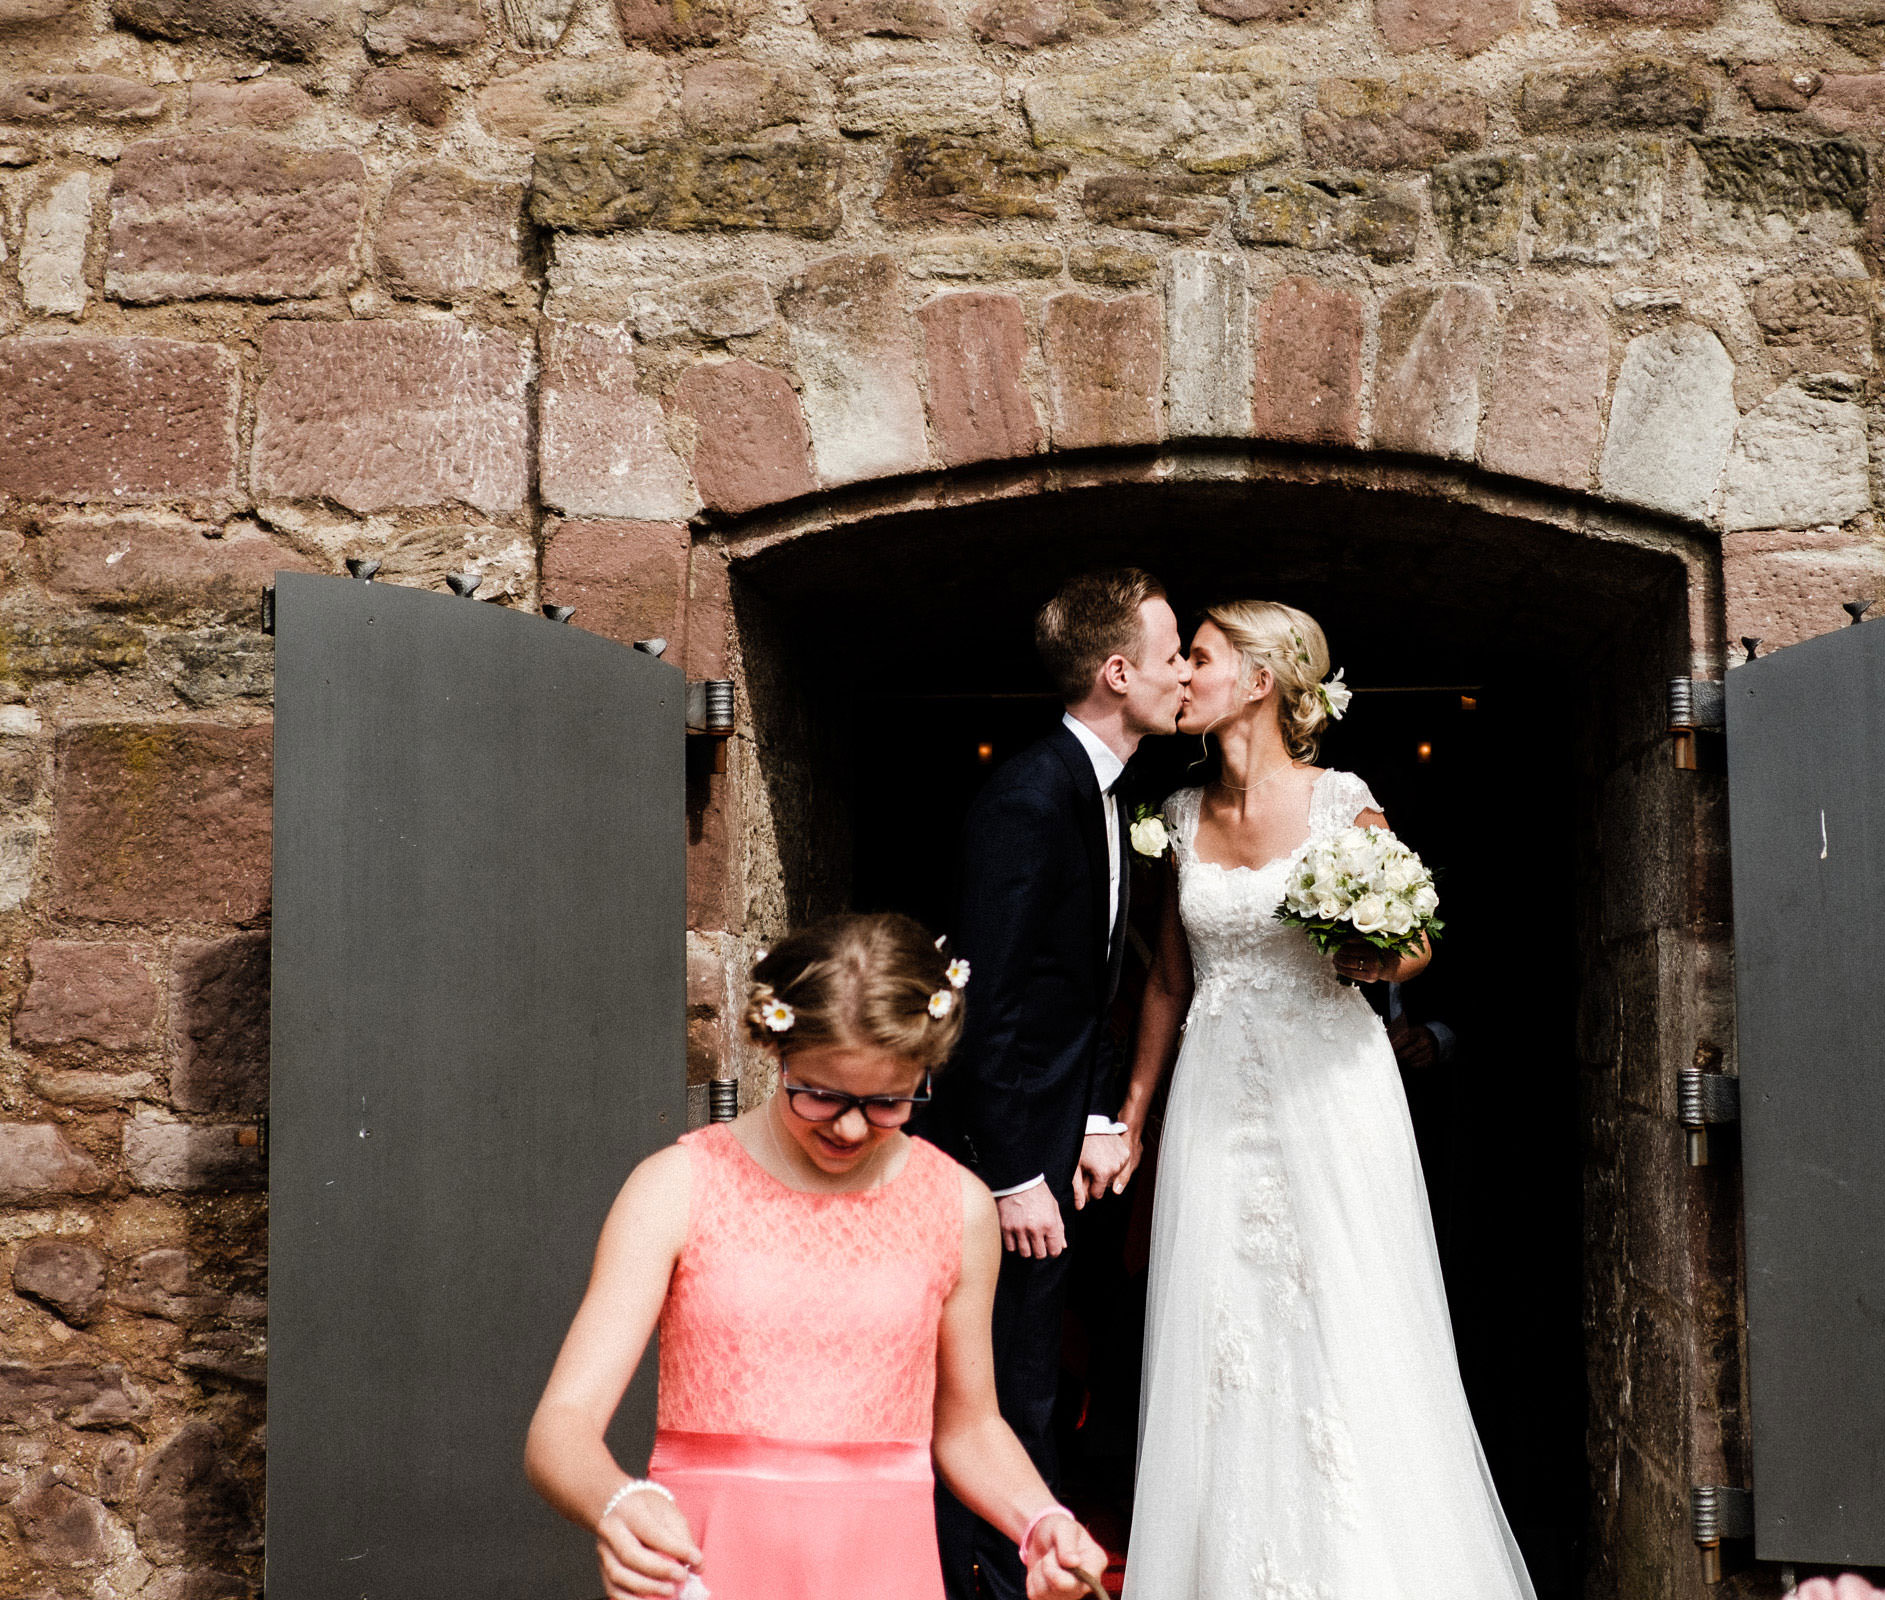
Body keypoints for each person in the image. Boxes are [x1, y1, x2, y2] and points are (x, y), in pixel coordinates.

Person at [1111, 600, 1538, 1600]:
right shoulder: (1174, 815)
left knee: (1351, 1315)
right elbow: (1168, 984)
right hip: (1219, 1093)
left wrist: (1372, 946)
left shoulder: (1343, 800)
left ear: (1259, 681)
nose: (1183, 673)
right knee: (1222, 1323)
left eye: (1200, 658)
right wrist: (1132, 1116)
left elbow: (1417, 938)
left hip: (1334, 1090)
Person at [525, 913, 1108, 1600]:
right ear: (777, 1051)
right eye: (823, 1095)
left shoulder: (959, 1204)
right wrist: (617, 1504)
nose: (853, 1126)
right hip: (709, 1567)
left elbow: (969, 1426)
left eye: (889, 1102)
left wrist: (1039, 1520)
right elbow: (560, 1429)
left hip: (884, 1570)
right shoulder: (676, 1187)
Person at [919, 569, 1190, 1600]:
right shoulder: (1029, 797)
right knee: (1002, 1392)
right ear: (1118, 672)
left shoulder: (1104, 792)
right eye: (1170, 657)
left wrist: (1088, 1117)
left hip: (1050, 1142)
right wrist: (1003, 1174)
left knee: (1036, 1379)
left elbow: (1068, 992)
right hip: (1005, 1169)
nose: (1182, 675)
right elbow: (980, 998)